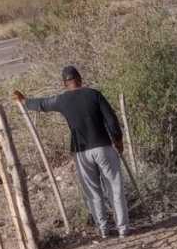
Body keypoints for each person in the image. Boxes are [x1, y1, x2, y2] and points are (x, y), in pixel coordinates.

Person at [12, 66, 131, 238]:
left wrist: (24, 101)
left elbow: (42, 104)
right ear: (80, 79)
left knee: (93, 192)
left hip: (81, 152)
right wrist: (118, 141)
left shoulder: (62, 100)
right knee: (114, 188)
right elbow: (111, 120)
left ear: (64, 83)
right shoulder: (94, 94)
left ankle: (104, 229)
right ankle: (123, 229)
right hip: (103, 147)